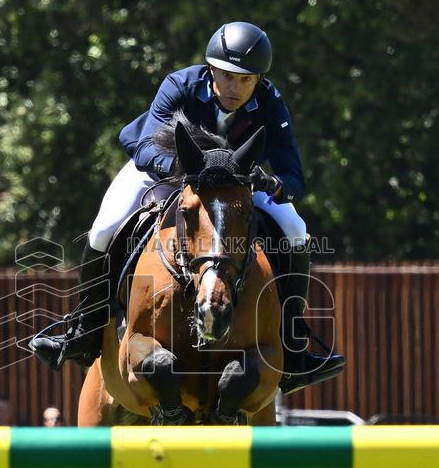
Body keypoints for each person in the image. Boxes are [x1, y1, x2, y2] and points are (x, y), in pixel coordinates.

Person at [30, 21, 340, 394]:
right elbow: (145, 146)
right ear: (211, 70)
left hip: (235, 183)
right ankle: (84, 328)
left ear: (259, 79)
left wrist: (274, 184)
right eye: (227, 76)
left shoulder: (271, 102)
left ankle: (293, 345)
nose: (235, 88)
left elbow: (293, 176)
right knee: (104, 227)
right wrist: (179, 168)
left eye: (246, 80)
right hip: (165, 168)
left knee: (295, 231)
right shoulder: (180, 85)